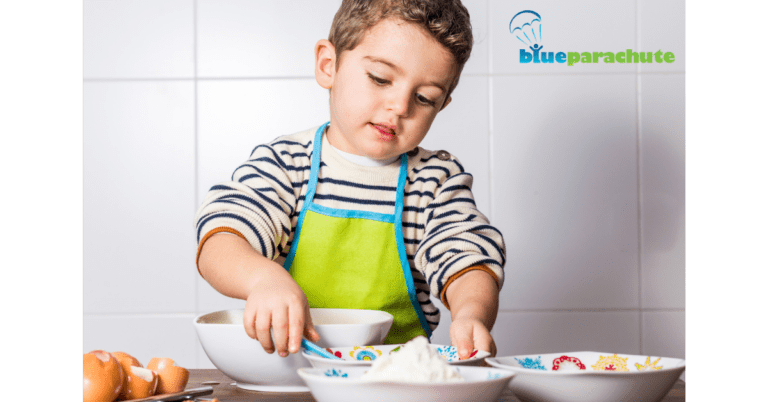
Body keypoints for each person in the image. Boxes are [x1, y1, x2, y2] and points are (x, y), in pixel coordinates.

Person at [195, 0, 506, 361]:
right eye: (380, 78)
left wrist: (471, 313)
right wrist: (263, 280)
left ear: (442, 105)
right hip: (292, 372)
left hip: (393, 381)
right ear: (329, 65)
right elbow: (221, 238)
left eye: (424, 98)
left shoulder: (433, 181)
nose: (400, 106)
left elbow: (467, 256)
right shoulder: (285, 165)